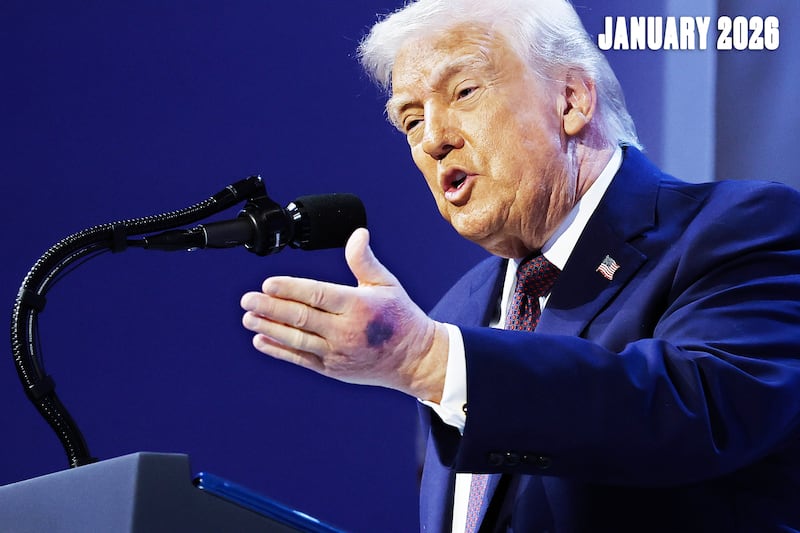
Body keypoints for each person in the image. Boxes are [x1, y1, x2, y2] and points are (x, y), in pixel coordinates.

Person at [240, 0, 800, 531]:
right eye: (410, 121)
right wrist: (432, 358)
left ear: (571, 101)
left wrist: (431, 362)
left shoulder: (740, 227)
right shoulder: (456, 314)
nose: (432, 140)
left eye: (464, 91)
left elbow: (700, 411)